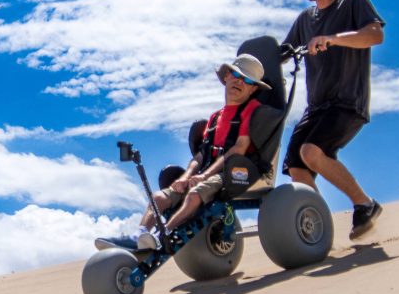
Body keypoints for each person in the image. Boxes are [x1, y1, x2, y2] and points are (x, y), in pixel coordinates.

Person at [96, 53, 271, 252]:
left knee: (195, 194)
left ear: (253, 88)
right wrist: (186, 177)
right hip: (205, 172)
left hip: (233, 172)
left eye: (247, 80)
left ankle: (163, 235)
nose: (239, 81)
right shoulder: (215, 118)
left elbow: (239, 148)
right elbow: (200, 156)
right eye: (236, 75)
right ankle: (139, 236)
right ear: (226, 77)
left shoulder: (252, 110)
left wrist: (204, 175)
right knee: (160, 197)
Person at [282, 0, 386, 239]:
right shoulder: (304, 20)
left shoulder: (352, 2)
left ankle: (365, 205)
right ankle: (320, 231)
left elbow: (375, 35)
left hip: (346, 101)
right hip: (316, 107)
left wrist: (333, 39)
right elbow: (283, 52)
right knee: (296, 166)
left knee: (312, 152)